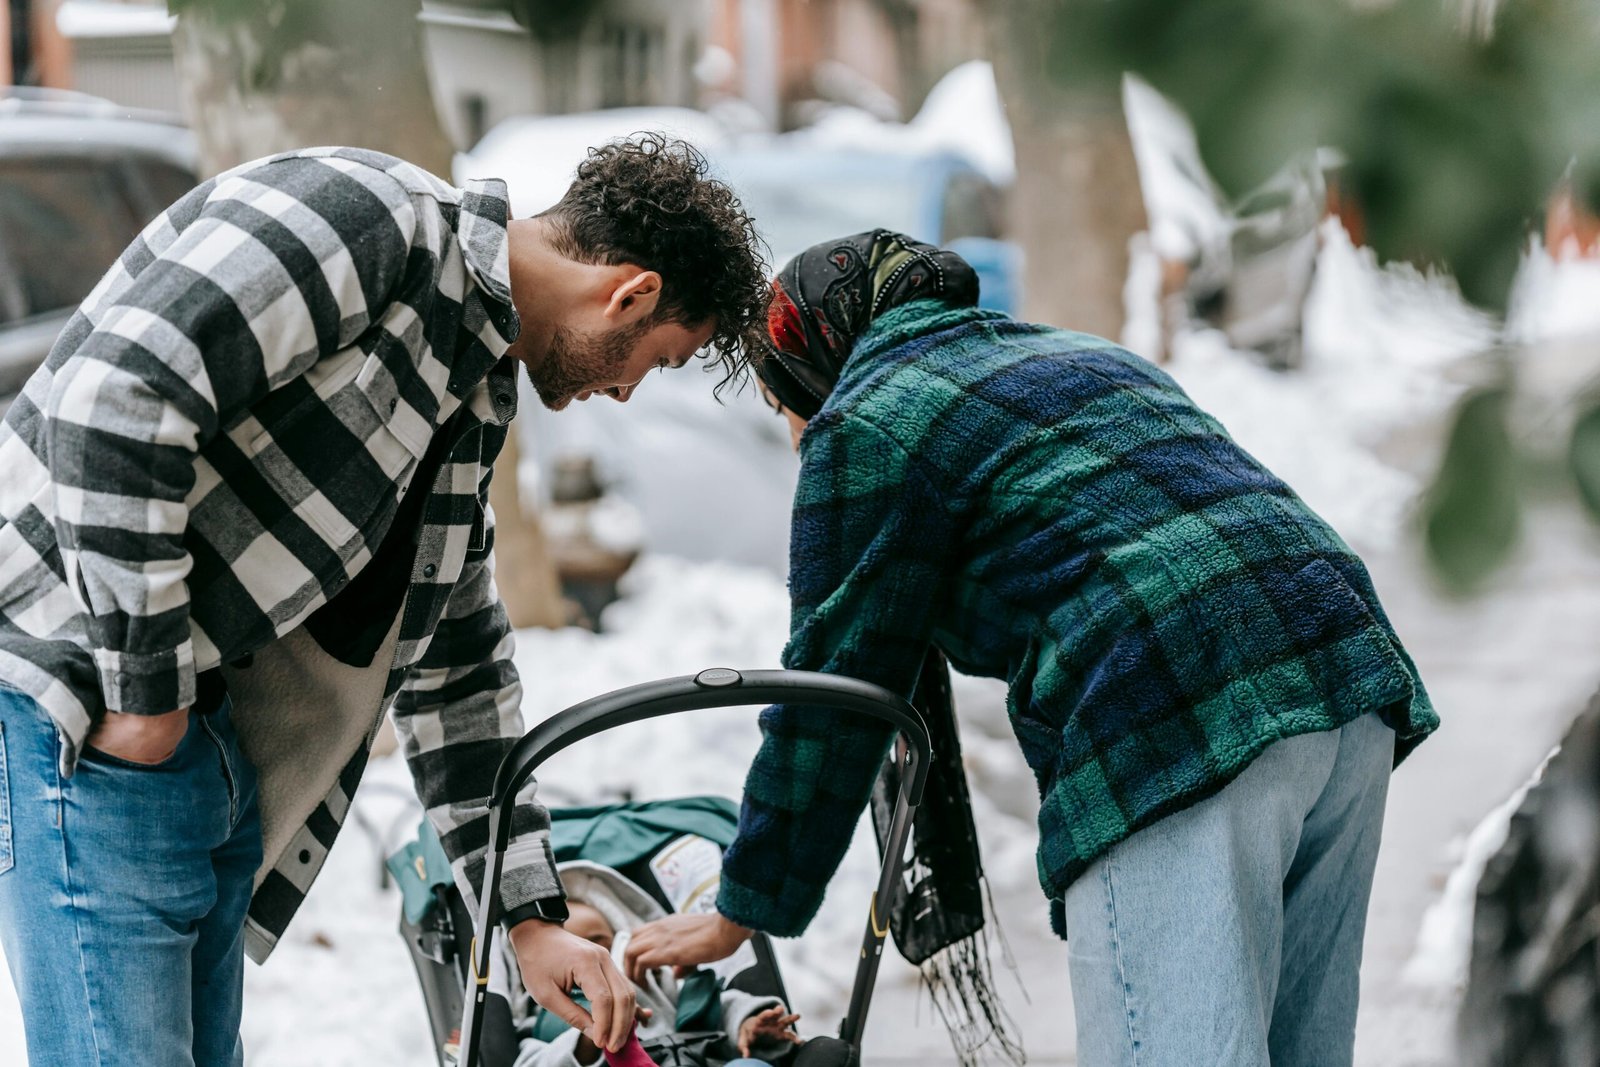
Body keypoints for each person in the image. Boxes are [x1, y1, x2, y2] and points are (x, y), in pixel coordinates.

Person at [0, 135, 768, 1066]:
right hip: (93, 710)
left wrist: (527, 918)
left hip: (200, 742)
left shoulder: (473, 387)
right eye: (653, 360)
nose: (622, 388)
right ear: (630, 294)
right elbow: (112, 400)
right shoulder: (366, 217)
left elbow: (459, 663)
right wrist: (148, 697)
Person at [623, 231, 1438, 1067]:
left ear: (813, 362)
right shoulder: (1077, 355)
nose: (797, 434)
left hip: (1179, 709)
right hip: (1346, 670)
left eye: (782, 403)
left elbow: (833, 682)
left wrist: (741, 907)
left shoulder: (868, 418)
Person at [513, 862, 801, 1067]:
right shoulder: (545, 1016)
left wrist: (746, 1024)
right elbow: (529, 1061)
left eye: (601, 943)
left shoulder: (661, 980)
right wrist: (588, 1041)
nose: (593, 956)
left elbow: (719, 1006)